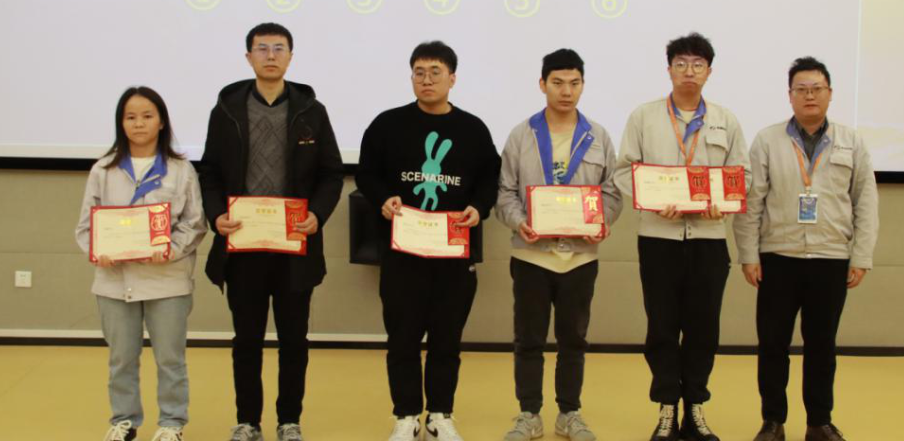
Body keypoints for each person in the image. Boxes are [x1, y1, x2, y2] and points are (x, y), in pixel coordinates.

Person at [197, 22, 344, 441]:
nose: (271, 55)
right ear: (249, 57)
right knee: (246, 340)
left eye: (279, 48)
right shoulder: (226, 110)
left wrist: (317, 214)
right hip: (243, 243)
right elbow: (209, 172)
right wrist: (215, 216)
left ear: (291, 56)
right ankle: (248, 421)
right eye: (262, 48)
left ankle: (289, 420)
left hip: (293, 243)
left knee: (294, 339)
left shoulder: (311, 110)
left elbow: (331, 173)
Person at [355, 41, 501, 441]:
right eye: (419, 72)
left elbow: (490, 178)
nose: (427, 80)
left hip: (453, 254)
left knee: (446, 339)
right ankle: (406, 415)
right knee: (402, 339)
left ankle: (440, 414)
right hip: (403, 253)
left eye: (435, 72)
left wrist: (478, 207)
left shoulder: (473, 129)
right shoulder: (387, 124)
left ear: (453, 78)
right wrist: (383, 198)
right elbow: (367, 173)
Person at [614, 32, 750, 441]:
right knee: (661, 327)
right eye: (681, 63)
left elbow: (740, 176)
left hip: (709, 239)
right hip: (659, 238)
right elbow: (624, 171)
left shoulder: (726, 119)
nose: (689, 71)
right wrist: (653, 201)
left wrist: (722, 203)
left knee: (703, 329)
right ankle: (666, 407)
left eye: (697, 64)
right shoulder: (644, 117)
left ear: (709, 71)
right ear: (669, 69)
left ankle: (696, 407)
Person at [734, 57, 879, 441]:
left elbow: (866, 202)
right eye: (801, 89)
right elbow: (751, 202)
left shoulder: (851, 141)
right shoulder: (768, 140)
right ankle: (773, 421)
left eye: (817, 89)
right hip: (778, 258)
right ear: (790, 95)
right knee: (772, 345)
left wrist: (861, 255)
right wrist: (748, 254)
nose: (809, 95)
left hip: (831, 258)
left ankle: (819, 421)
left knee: (822, 346)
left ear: (830, 93)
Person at [495, 48, 622, 441]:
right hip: (531, 255)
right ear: (542, 84)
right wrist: (520, 222)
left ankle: (569, 413)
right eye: (557, 83)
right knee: (529, 339)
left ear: (582, 85)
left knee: (574, 340)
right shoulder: (522, 134)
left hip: (579, 257)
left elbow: (612, 192)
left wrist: (600, 222)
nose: (566, 91)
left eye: (574, 83)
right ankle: (529, 414)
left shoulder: (598, 136)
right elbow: (504, 192)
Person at [76, 86, 207, 441]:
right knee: (121, 358)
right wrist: (98, 251)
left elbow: (195, 223)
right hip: (114, 281)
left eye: (147, 116)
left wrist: (171, 249)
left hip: (168, 280)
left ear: (161, 122)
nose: (139, 124)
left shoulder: (180, 169)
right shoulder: (103, 169)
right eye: (130, 117)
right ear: (121, 123)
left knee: (170, 359)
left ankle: (172, 423)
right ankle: (124, 420)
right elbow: (86, 226)